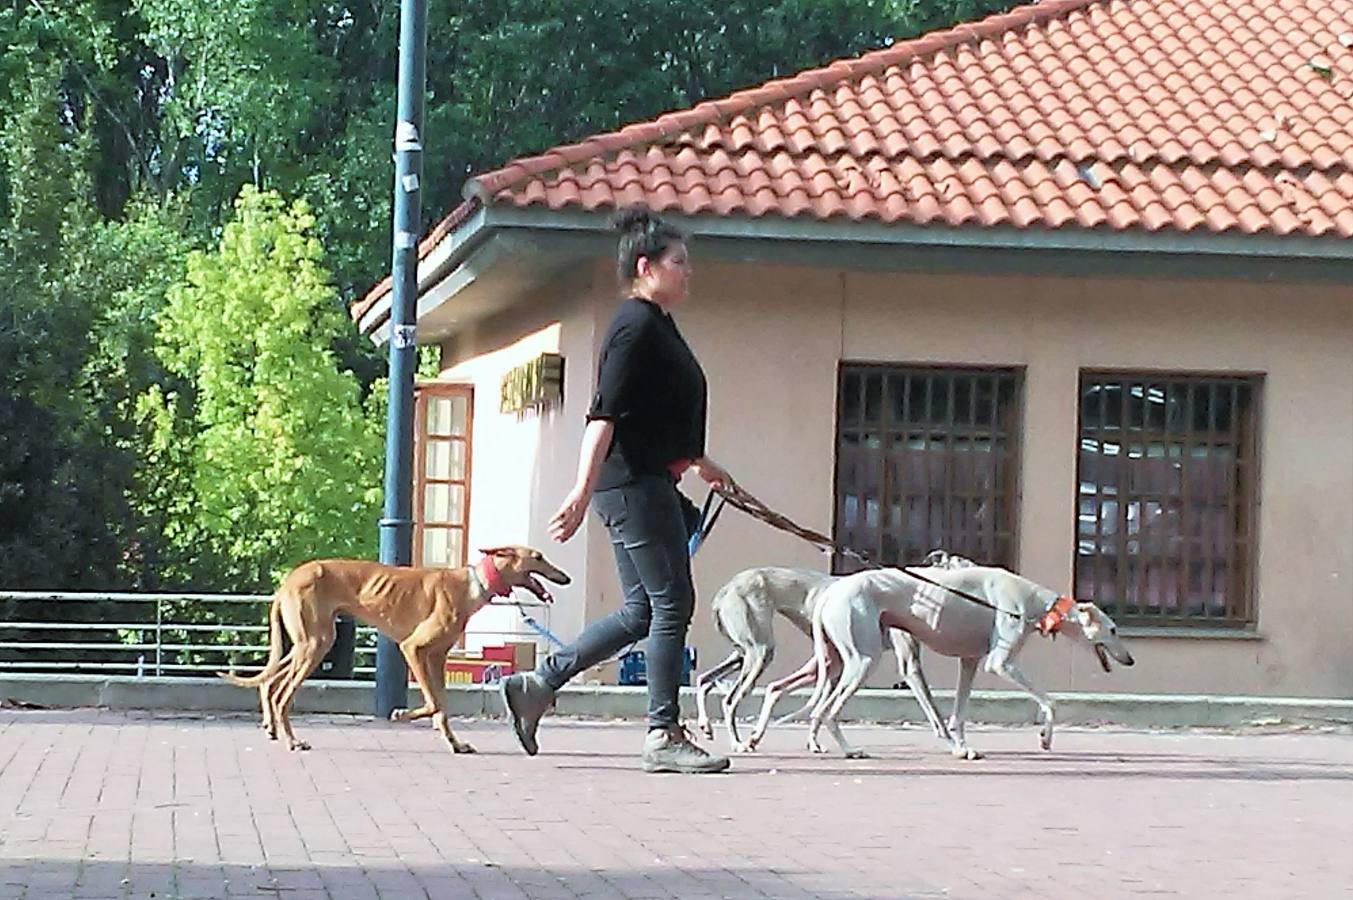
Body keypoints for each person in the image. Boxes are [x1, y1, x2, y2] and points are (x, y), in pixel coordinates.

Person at [499, 205, 733, 774]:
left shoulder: (656, 324)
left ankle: (540, 683)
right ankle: (663, 733)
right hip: (631, 484)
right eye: (680, 262)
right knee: (672, 602)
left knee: (641, 612)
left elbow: (652, 413)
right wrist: (580, 491)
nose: (688, 271)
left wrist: (701, 462)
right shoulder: (634, 325)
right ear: (647, 266)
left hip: (645, 478)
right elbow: (603, 414)